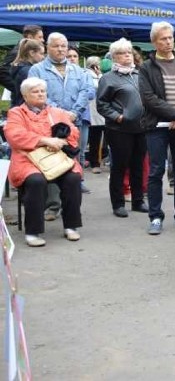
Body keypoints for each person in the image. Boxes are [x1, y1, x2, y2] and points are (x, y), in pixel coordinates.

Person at [5, 78, 83, 246]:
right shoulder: (16, 113)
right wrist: (44, 140)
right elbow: (14, 136)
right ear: (25, 96)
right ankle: (33, 231)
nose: (40, 94)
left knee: (73, 178)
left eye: (42, 91)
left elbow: (74, 132)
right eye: (35, 91)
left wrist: (62, 139)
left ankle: (71, 226)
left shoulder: (57, 112)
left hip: (56, 159)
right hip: (28, 159)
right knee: (35, 180)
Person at [138, 21, 175, 235]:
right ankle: (155, 217)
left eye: (170, 37)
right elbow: (148, 98)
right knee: (156, 171)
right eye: (163, 38)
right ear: (154, 42)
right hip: (156, 126)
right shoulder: (146, 67)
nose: (168, 41)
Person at [28, 32, 95, 201]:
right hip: (48, 123)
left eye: (63, 46)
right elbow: (37, 94)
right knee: (52, 158)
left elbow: (85, 91)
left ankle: (71, 198)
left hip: (75, 120)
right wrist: (60, 114)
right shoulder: (37, 70)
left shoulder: (79, 70)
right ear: (47, 48)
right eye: (55, 46)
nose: (60, 49)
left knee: (74, 155)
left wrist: (74, 112)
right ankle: (53, 203)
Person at [97, 38, 149, 217]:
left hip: (141, 128)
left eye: (128, 52)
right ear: (113, 57)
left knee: (138, 165)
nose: (127, 55)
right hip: (119, 130)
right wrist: (117, 117)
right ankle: (118, 203)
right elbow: (102, 104)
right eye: (121, 53)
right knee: (119, 166)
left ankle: (138, 201)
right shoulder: (108, 78)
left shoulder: (139, 74)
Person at [0, 24, 43, 91]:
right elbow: (2, 73)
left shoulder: (31, 53)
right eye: (40, 37)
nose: (42, 40)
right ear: (30, 37)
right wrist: (20, 89)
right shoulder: (17, 52)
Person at [9, 39, 44, 107]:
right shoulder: (28, 71)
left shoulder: (20, 67)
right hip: (25, 109)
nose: (43, 57)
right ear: (32, 53)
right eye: (41, 54)